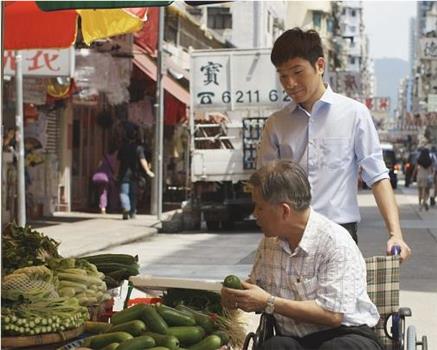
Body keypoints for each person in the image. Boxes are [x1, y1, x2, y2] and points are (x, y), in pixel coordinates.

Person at [257, 27, 411, 261]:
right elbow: (264, 185)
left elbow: (378, 177)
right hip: (287, 234)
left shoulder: (354, 114)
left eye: (297, 72)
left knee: (340, 298)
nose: (290, 83)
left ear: (320, 65)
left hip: (340, 233)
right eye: (282, 76)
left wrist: (395, 234)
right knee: (285, 299)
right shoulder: (276, 124)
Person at [221, 160, 383, 350]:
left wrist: (269, 302)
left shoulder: (335, 242)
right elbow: (257, 289)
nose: (254, 213)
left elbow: (332, 315)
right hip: (295, 340)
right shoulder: (269, 244)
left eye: (260, 207)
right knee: (273, 346)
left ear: (284, 210)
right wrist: (237, 296)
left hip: (346, 334)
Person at [118, 123, 154, 220]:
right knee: (133, 194)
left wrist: (114, 173)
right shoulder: (138, 148)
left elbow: (118, 161)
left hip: (123, 174)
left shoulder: (122, 147)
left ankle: (126, 207)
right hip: (134, 174)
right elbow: (143, 160)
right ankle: (132, 212)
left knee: (124, 193)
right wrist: (148, 171)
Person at [92, 146, 118, 214]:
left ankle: (103, 208)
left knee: (103, 192)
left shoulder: (104, 157)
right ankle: (112, 207)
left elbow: (99, 166)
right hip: (110, 177)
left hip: (102, 177)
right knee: (113, 192)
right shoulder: (115, 158)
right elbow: (115, 168)